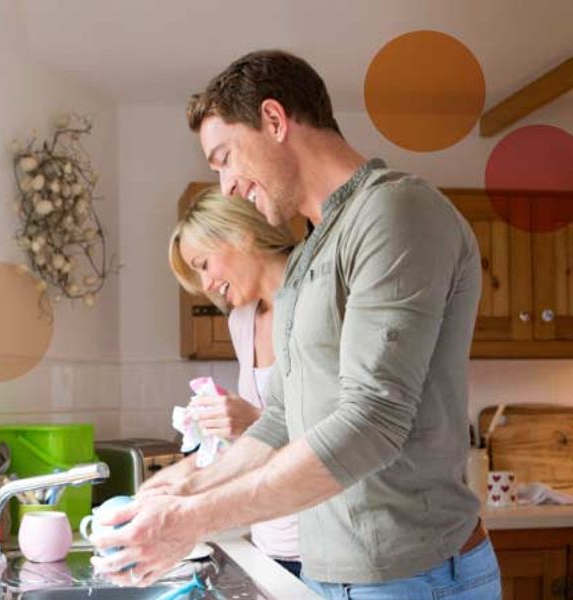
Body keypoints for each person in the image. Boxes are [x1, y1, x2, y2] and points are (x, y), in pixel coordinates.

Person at [90, 50, 498, 598]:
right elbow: (281, 419)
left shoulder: (397, 212)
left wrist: (193, 518)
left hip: (413, 576)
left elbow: (371, 421)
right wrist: (184, 485)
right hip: (338, 575)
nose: (228, 185)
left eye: (225, 157)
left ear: (275, 120)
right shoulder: (309, 256)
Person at [166, 186, 302, 576]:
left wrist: (252, 418)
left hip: (329, 543)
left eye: (204, 263)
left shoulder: (317, 300)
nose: (206, 285)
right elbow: (263, 435)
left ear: (241, 233)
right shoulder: (241, 320)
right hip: (271, 541)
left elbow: (345, 426)